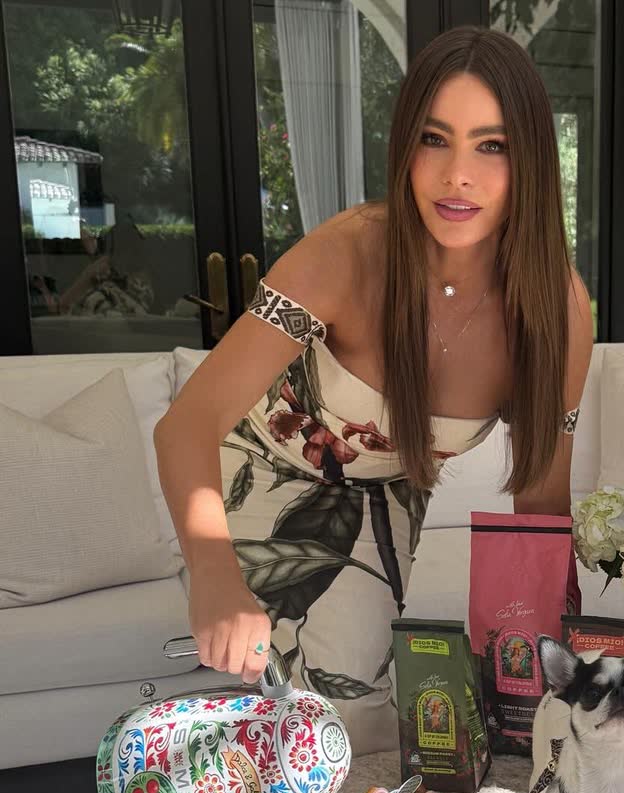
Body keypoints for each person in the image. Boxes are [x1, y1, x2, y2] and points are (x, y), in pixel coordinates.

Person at [154, 26, 593, 756]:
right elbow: (186, 424)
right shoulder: (344, 256)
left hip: (387, 493)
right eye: (434, 139)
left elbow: (542, 502)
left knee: (352, 714)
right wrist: (212, 573)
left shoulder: (559, 311)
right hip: (257, 470)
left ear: (534, 161)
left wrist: (549, 664)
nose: (457, 175)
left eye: (492, 145)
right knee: (278, 720)